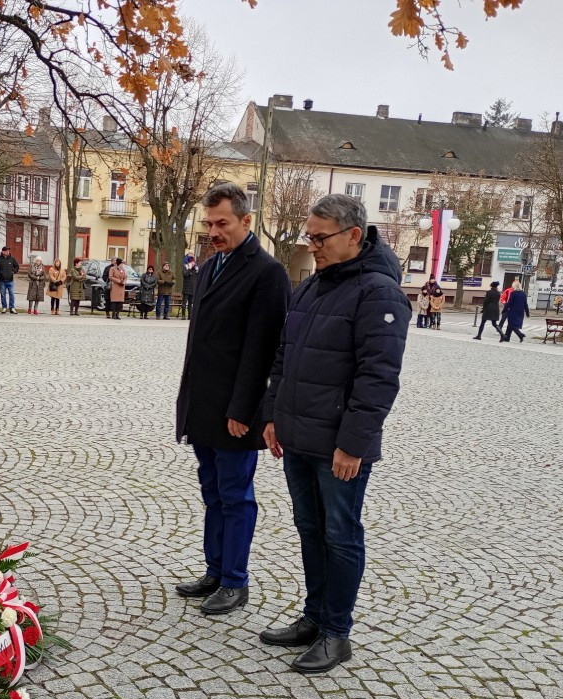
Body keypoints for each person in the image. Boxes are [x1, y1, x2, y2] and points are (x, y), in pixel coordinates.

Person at [258, 193, 411, 673]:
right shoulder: (312, 286)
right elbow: (284, 358)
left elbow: (378, 376)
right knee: (310, 530)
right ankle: (314, 616)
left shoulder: (379, 292)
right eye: (310, 235)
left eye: (319, 237)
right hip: (299, 436)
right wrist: (273, 414)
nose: (313, 245)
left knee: (340, 534)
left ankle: (337, 632)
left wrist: (353, 444)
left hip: (339, 446)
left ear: (352, 235)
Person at [174, 182, 291, 616]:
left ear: (246, 220)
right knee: (212, 492)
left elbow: (263, 349)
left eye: (222, 223)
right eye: (208, 223)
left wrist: (243, 410)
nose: (213, 231)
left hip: (235, 412)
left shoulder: (267, 273)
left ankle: (235, 581)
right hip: (202, 404)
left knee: (236, 495)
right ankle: (215, 570)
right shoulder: (210, 267)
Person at [0, 245, 19, 313]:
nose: (7, 251)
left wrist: (14, 271)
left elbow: (17, 266)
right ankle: (4, 307)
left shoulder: (12, 259)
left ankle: (12, 307)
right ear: (3, 251)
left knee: (11, 294)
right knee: (3, 295)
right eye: (6, 250)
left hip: (10, 280)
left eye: (8, 250)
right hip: (2, 280)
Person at [182, 253, 198, 319]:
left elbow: (197, 277)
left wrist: (197, 270)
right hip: (186, 288)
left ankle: (190, 316)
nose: (193, 263)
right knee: (184, 303)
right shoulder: (185, 268)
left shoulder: (195, 270)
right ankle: (183, 315)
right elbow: (185, 275)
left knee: (190, 304)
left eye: (193, 262)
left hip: (192, 289)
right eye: (191, 262)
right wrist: (189, 268)